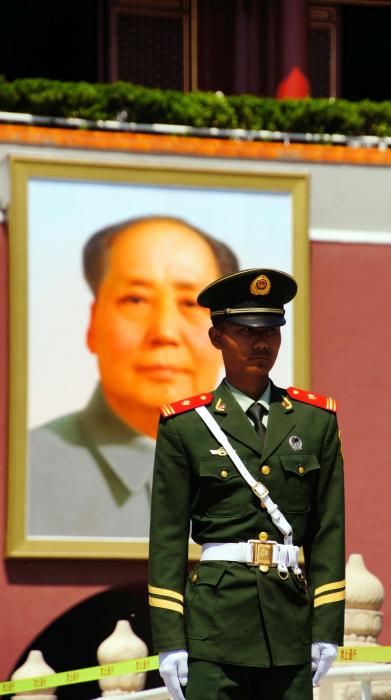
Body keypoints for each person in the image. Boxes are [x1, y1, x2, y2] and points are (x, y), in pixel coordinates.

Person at [148, 268, 345, 700]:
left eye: (272, 330)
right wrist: (170, 638)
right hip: (213, 630)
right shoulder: (186, 426)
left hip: (289, 626)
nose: (261, 343)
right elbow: (166, 538)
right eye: (244, 330)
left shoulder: (316, 421)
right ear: (217, 336)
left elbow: (329, 531)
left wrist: (327, 625)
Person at [28, 216, 239, 537]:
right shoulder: (26, 470)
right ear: (93, 323)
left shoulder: (263, 466)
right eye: (136, 300)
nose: (165, 332)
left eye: (190, 303)